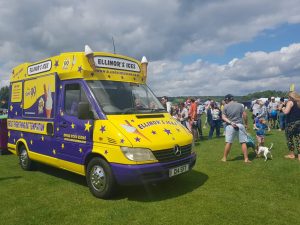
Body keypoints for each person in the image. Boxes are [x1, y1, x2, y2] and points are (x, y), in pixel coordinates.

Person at [221, 94, 251, 163]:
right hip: (240, 125)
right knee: (243, 142)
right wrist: (246, 124)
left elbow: (223, 117)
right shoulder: (240, 105)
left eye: (226, 100)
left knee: (228, 142)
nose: (225, 101)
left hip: (230, 126)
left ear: (228, 99)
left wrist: (231, 122)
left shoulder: (225, 106)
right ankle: (246, 159)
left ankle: (224, 158)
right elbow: (245, 115)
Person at [280, 91, 300, 160]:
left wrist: (283, 109)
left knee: (289, 139)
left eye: (288, 97)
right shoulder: (298, 102)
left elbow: (286, 112)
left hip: (291, 123)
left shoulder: (290, 102)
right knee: (298, 139)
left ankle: (292, 154)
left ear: (290, 97)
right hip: (298, 122)